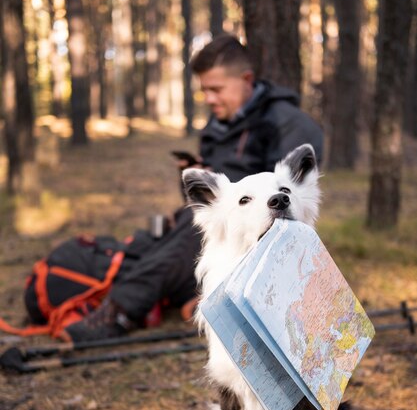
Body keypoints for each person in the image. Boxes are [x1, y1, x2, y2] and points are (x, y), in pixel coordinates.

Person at [63, 34, 323, 342]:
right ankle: (174, 291)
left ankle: (119, 311)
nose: (210, 99)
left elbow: (288, 201)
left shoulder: (289, 124)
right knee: (151, 239)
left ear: (246, 79)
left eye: (216, 89)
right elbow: (207, 206)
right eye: (204, 91)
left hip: (258, 239)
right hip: (221, 233)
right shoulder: (215, 127)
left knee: (185, 234)